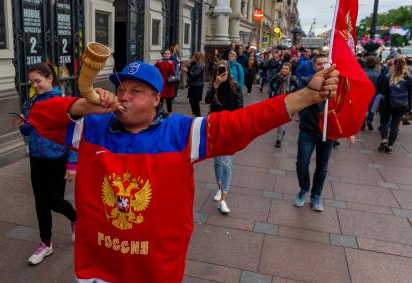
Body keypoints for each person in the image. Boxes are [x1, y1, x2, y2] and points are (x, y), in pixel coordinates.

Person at [28, 60, 339, 282]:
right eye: (122, 89)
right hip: (97, 269)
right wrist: (82, 106)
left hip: (156, 273)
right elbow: (39, 116)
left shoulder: (182, 133)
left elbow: (242, 124)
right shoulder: (93, 128)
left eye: (137, 91)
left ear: (156, 98)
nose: (123, 97)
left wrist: (307, 96)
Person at [15, 63, 77, 265]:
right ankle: (45, 243)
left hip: (57, 158)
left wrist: (72, 163)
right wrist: (23, 125)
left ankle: (75, 217)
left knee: (55, 200)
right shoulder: (32, 102)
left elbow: (74, 134)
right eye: (32, 82)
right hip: (36, 157)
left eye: (38, 81)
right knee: (40, 202)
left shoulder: (63, 102)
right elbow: (28, 131)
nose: (35, 85)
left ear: (50, 78)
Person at [293, 54, 349, 212]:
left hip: (328, 131)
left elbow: (343, 105)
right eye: (319, 64)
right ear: (314, 65)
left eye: (326, 63)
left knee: (322, 166)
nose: (323, 66)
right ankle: (304, 188)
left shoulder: (337, 84)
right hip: (308, 129)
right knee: (302, 163)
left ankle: (316, 195)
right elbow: (296, 98)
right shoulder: (306, 81)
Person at [207, 61, 244, 213]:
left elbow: (240, 109)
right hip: (215, 128)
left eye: (224, 71)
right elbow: (207, 101)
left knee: (227, 164)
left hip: (229, 129)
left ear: (229, 72)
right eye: (219, 71)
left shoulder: (235, 87)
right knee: (217, 162)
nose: (222, 73)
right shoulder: (213, 86)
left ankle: (223, 200)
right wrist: (215, 85)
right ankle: (220, 187)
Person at [378, 57, 412, 154]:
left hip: (387, 105)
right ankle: (390, 146)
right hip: (401, 106)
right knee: (395, 126)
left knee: (384, 122)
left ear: (394, 65)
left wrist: (377, 106)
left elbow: (382, 93)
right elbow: (410, 96)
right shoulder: (408, 79)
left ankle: (384, 140)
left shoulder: (388, 76)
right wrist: (409, 110)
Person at [268, 62, 299, 147]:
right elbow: (270, 83)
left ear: (289, 70)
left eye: (286, 69)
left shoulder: (292, 78)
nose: (284, 70)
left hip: (287, 101)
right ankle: (282, 131)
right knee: (278, 120)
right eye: (283, 68)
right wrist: (273, 91)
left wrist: (291, 93)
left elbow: (297, 87)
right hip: (277, 100)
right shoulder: (277, 76)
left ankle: (278, 139)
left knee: (282, 120)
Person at [363, 56, 382, 130]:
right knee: (372, 108)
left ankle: (362, 122)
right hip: (375, 94)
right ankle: (369, 120)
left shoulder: (363, 72)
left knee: (364, 108)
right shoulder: (379, 73)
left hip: (364, 93)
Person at [184, 52, 205, 117]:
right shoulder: (196, 64)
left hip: (197, 86)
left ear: (197, 57)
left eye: (194, 56)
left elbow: (195, 75)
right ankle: (195, 114)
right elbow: (191, 69)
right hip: (193, 85)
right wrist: (188, 65)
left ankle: (197, 116)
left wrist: (186, 71)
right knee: (191, 101)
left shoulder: (200, 65)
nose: (193, 57)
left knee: (195, 102)